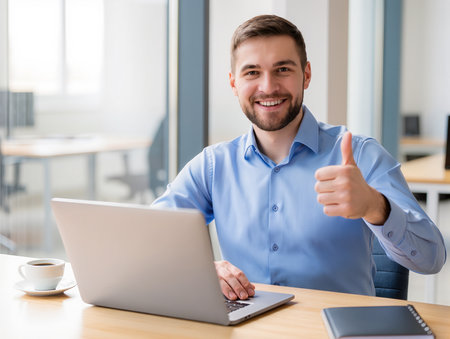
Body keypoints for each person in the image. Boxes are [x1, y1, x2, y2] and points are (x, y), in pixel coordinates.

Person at [152, 14, 446, 300]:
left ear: (306, 75)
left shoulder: (360, 154)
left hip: (337, 330)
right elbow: (148, 239)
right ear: (234, 84)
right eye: (252, 72)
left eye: (282, 69)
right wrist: (201, 270)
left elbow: (431, 259)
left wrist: (375, 206)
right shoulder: (214, 166)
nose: (267, 86)